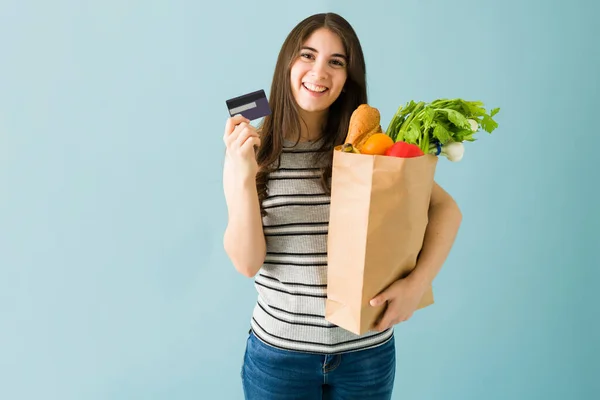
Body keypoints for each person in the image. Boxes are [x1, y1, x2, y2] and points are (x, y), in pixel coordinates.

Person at [222, 12, 462, 400]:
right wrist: (242, 172)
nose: (320, 71)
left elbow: (448, 211)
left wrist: (416, 286)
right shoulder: (251, 149)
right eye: (307, 55)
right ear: (287, 63)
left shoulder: (368, 148)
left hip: (366, 356)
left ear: (349, 77)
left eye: (337, 62)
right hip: (279, 358)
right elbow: (247, 262)